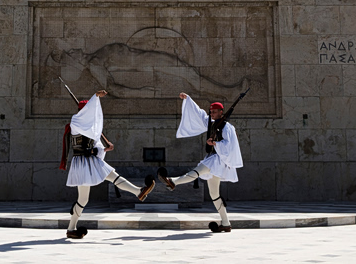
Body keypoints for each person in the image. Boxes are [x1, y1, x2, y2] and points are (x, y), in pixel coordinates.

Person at [60, 89, 155, 239]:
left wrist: (105, 148)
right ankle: (71, 228)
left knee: (113, 176)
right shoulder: (76, 122)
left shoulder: (89, 126)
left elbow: (94, 146)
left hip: (91, 160)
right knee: (83, 199)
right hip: (82, 162)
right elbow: (85, 147)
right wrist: (96, 96)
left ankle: (138, 192)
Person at [157, 92, 244, 233]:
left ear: (221, 112)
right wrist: (188, 99)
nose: (212, 113)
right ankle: (226, 223)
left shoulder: (227, 127)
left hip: (218, 160)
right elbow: (199, 114)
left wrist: (215, 143)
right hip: (213, 159)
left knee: (196, 171)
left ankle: (173, 181)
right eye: (211, 111)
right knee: (214, 194)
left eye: (215, 112)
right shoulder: (211, 122)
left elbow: (230, 146)